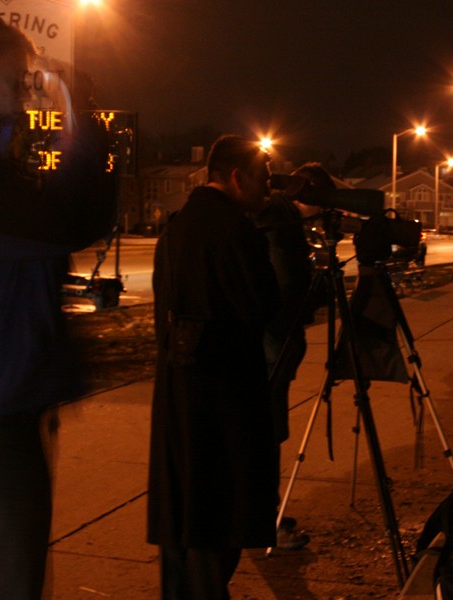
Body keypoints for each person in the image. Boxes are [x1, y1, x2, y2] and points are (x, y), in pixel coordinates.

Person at [0, 11, 116, 598]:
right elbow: (69, 219)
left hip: (1, 404)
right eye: (14, 79)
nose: (25, 91)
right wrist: (82, 117)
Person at [149, 134, 280, 599]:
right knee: (218, 511)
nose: (268, 189)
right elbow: (262, 306)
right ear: (237, 177)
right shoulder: (233, 229)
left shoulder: (178, 226)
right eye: (263, 179)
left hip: (179, 384)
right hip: (224, 391)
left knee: (186, 509)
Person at [254, 162, 329, 551]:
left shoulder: (274, 217)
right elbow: (287, 287)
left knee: (262, 433)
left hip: (269, 338)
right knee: (267, 434)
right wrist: (318, 291)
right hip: (273, 340)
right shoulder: (280, 226)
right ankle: (263, 521)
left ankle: (258, 516)